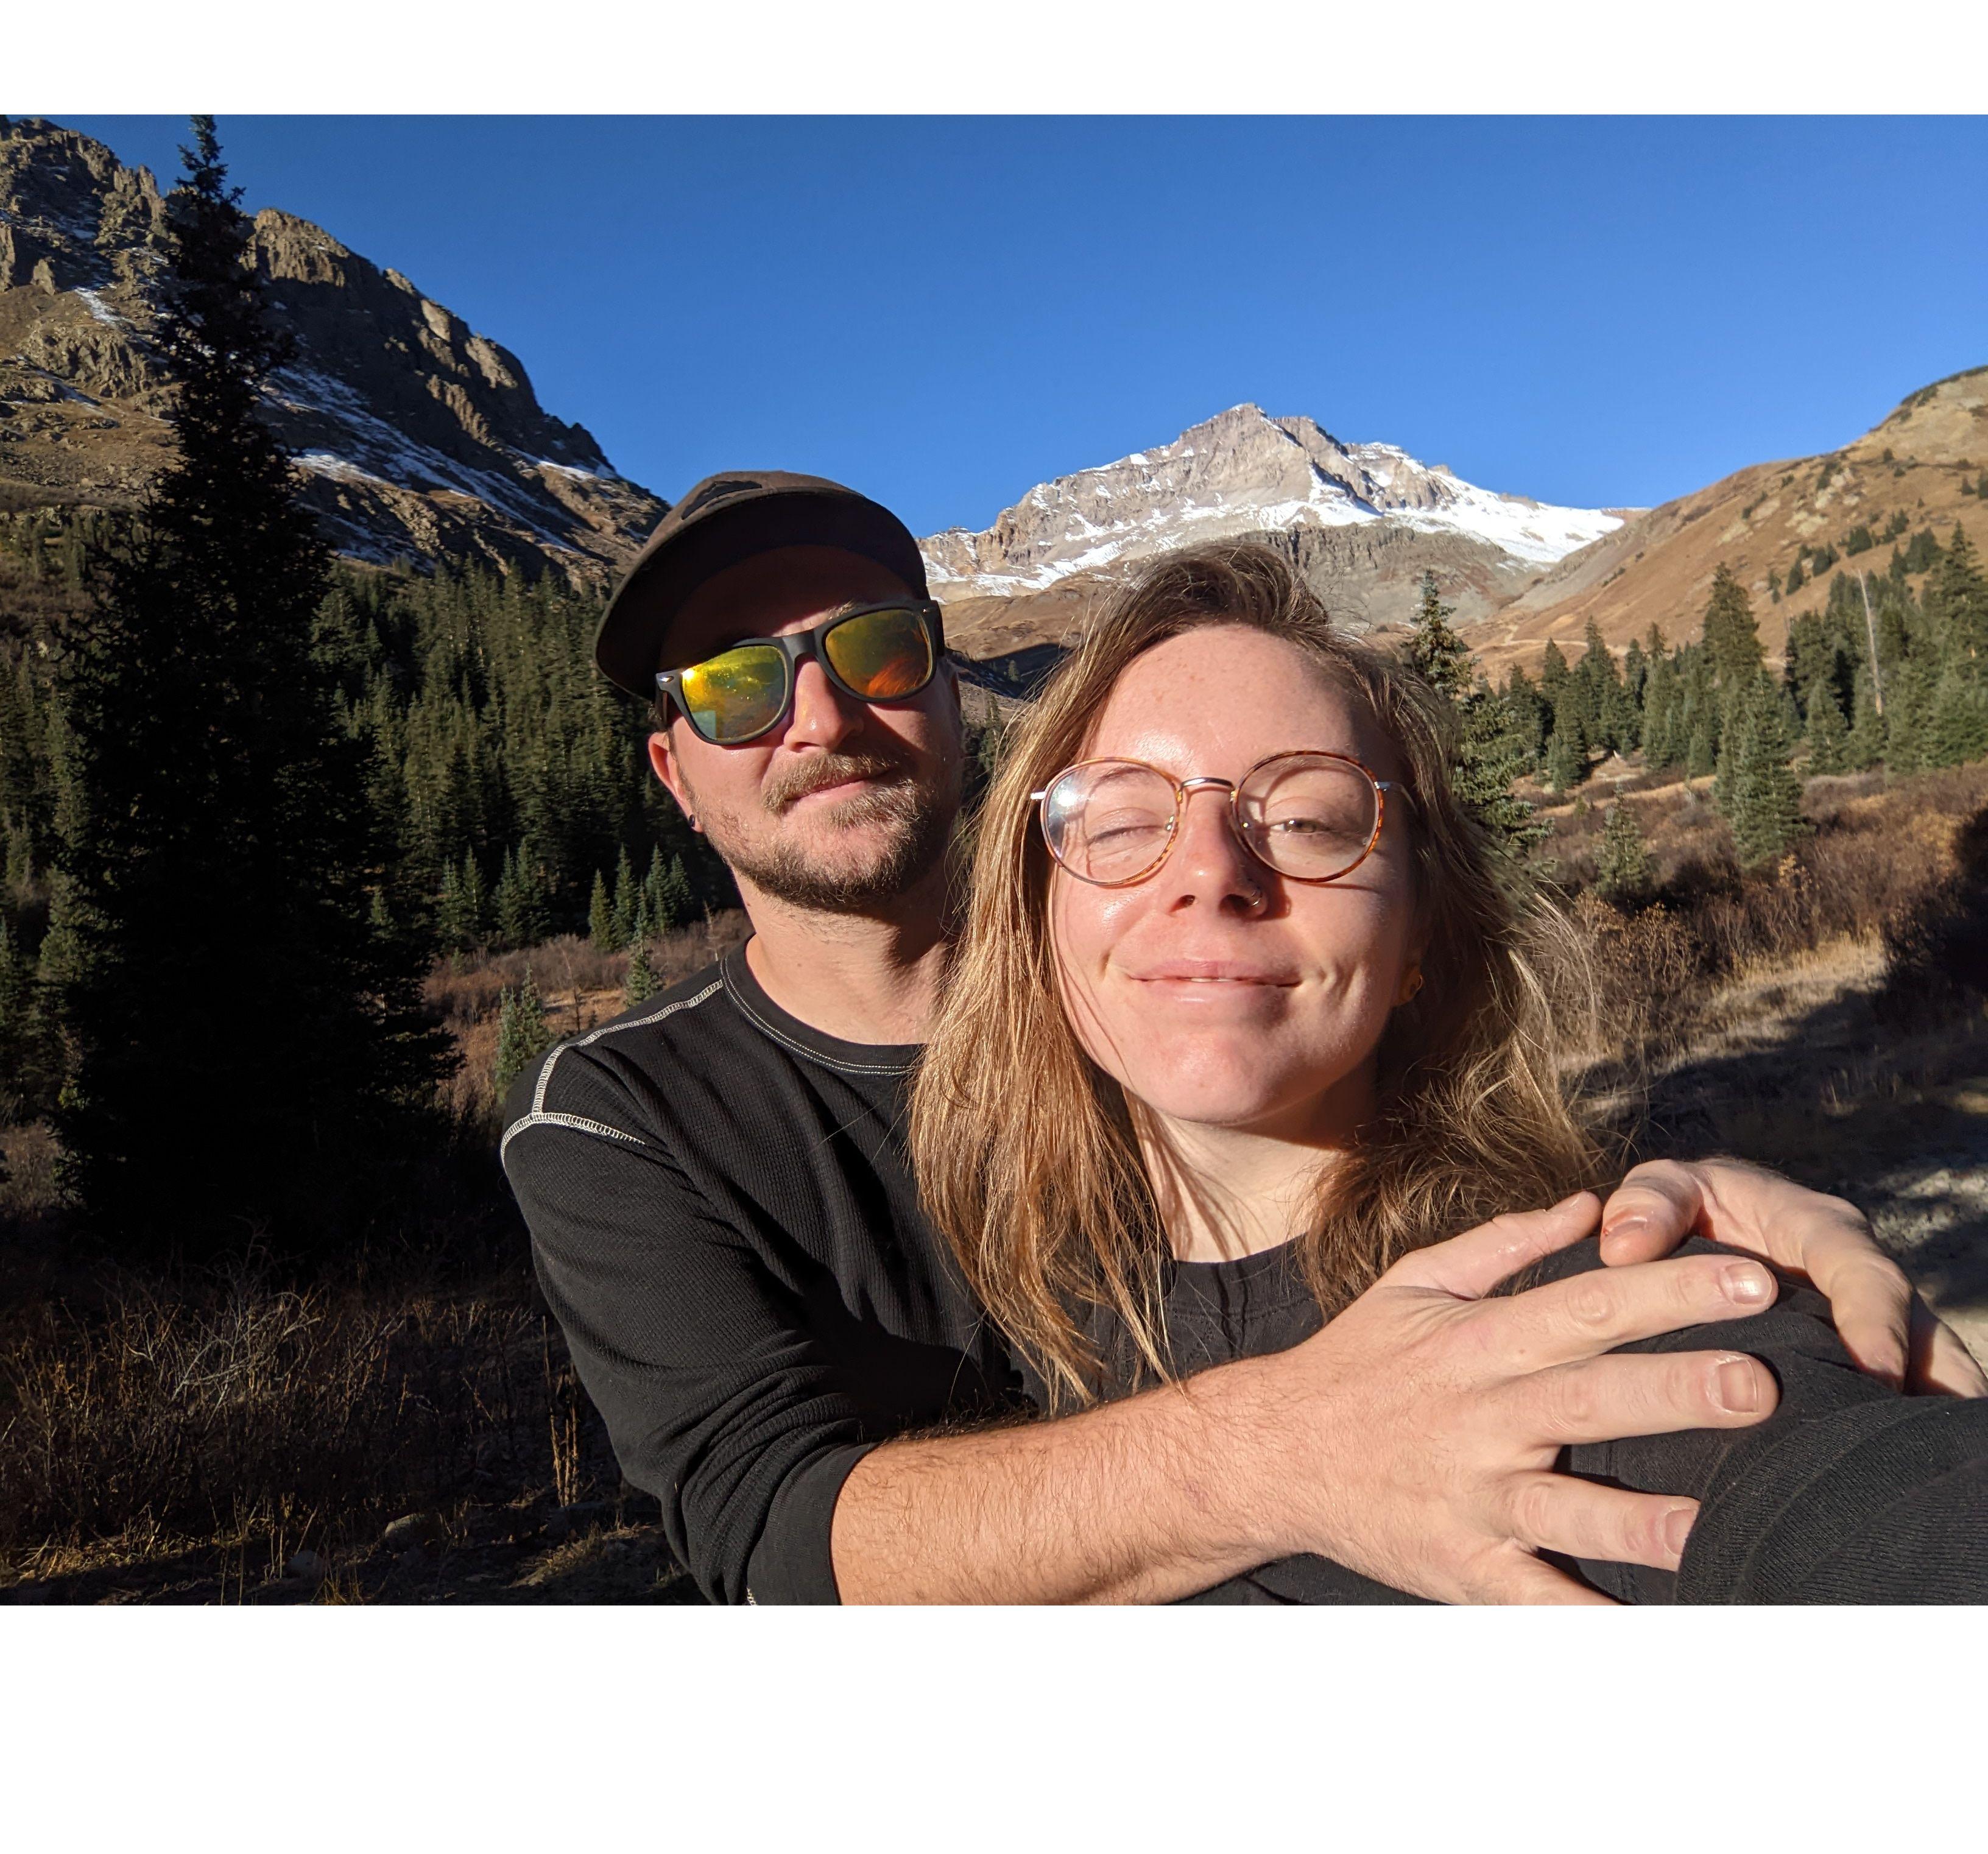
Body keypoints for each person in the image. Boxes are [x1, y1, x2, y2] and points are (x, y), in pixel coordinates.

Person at [502, 470, 1981, 1604]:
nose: (816, 710)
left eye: (876, 650)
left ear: (955, 701)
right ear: (673, 775)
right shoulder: (617, 1118)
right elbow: (771, 1538)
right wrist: (1281, 1452)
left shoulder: (1156, 994)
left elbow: (1839, 1500)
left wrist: (1686, 1231)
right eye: (730, 683)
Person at [909, 540, 1988, 1602]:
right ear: (1037, 918)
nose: (1208, 872)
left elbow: (1866, 1510)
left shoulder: (1592, 1325)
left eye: (1305, 820)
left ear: (1422, 933)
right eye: (1121, 818)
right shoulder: (964, 1301)